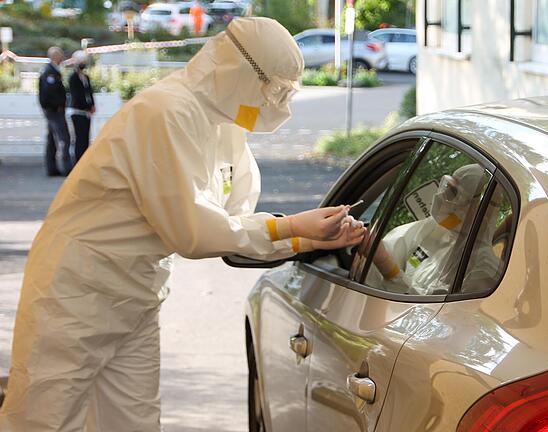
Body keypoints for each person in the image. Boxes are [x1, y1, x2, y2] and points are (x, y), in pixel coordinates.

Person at [0, 17, 365, 432]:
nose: (276, 103)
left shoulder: (225, 125)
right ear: (242, 73)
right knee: (41, 420)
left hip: (136, 295)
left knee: (133, 422)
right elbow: (192, 230)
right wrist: (293, 227)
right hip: (76, 290)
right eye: (274, 90)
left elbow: (234, 224)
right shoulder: (165, 112)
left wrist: (305, 237)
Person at [369, 164, 501, 295]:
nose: (442, 195)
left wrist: (387, 266)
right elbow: (391, 248)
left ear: (476, 208)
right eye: (446, 186)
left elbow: (432, 311)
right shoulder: (437, 229)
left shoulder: (483, 268)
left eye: (452, 192)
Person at [39, 46, 72, 176]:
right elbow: (49, 92)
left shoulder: (51, 71)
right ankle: (66, 166)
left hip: (51, 110)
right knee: (64, 138)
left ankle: (51, 167)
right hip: (55, 111)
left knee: (52, 139)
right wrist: (57, 105)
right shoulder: (50, 72)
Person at [67, 50, 95, 164]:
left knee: (86, 137)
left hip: (86, 112)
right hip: (77, 111)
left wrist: (92, 105)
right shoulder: (73, 78)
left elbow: (89, 92)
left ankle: (85, 160)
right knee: (80, 137)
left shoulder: (86, 77)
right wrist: (87, 106)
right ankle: (78, 161)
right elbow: (77, 95)